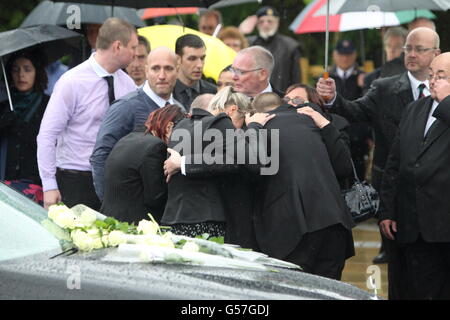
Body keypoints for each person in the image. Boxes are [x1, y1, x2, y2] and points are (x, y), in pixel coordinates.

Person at [316, 27, 441, 299]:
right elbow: (354, 111)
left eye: (420, 49)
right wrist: (333, 99)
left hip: (437, 202)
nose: (412, 54)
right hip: (395, 193)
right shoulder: (385, 87)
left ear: (436, 54)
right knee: (399, 272)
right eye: (408, 48)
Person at [37, 18, 138, 211]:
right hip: (76, 179)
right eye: (133, 47)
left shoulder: (127, 84)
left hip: (116, 181)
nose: (136, 53)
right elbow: (47, 135)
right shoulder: (72, 82)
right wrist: (49, 185)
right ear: (118, 46)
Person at [253, 92, 355, 280]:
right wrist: (325, 124)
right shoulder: (312, 121)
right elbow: (344, 167)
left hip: (291, 230)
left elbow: (251, 170)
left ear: (257, 112)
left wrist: (252, 126)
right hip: (334, 223)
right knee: (328, 291)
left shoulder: (261, 128)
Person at [380, 52, 450, 300]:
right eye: (431, 75)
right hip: (412, 222)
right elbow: (395, 162)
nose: (433, 81)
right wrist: (387, 210)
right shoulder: (415, 109)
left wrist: (447, 102)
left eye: (441, 76)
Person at [162, 87, 272, 243]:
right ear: (232, 110)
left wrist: (183, 163)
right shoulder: (221, 122)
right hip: (205, 221)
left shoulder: (181, 125)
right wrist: (254, 126)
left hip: (173, 220)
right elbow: (251, 162)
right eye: (242, 124)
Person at [90, 46, 182, 201]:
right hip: (128, 210)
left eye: (168, 68)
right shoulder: (126, 106)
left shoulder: (181, 109)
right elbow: (100, 156)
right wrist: (109, 203)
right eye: (155, 68)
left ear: (177, 71)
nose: (162, 75)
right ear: (146, 70)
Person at [101, 105, 186, 224]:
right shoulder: (156, 147)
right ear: (169, 127)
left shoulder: (129, 138)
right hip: (135, 225)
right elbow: (156, 197)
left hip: (112, 219)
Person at [0, 49, 49, 204]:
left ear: (37, 73)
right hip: (4, 180)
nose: (21, 75)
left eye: (27, 69)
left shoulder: (49, 105)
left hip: (36, 181)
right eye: (16, 70)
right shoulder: (3, 106)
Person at [285, 84, 353, 189]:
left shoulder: (335, 124)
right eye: (286, 100)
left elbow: (343, 168)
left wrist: (324, 125)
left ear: (313, 104)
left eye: (297, 100)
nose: (290, 103)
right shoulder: (278, 125)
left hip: (327, 192)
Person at [329, 39, 372, 183]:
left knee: (358, 180)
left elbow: (369, 107)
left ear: (354, 55)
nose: (345, 58)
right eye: (341, 54)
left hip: (358, 139)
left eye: (348, 54)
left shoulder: (365, 78)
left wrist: (365, 85)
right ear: (335, 55)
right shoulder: (326, 78)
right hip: (334, 136)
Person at [250, 6, 301, 92]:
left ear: (277, 22)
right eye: (261, 21)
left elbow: (296, 78)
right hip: (254, 96)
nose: (265, 24)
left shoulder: (290, 46)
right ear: (257, 24)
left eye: (269, 21)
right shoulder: (250, 44)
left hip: (280, 96)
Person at [173, 34, 217, 111]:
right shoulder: (166, 92)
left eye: (202, 58)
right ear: (178, 59)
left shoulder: (214, 93)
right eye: (192, 59)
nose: (199, 65)